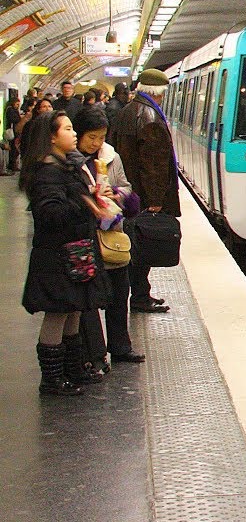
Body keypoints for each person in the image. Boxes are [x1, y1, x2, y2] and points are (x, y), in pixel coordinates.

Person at [19, 111, 115, 395]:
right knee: (57, 313)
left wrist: (95, 197)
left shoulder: (65, 167)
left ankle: (72, 370)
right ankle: (51, 379)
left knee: (73, 309)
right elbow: (49, 213)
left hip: (73, 252)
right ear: (51, 136)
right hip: (57, 255)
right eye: (68, 129)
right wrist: (87, 204)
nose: (74, 134)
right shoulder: (48, 171)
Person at [73, 107, 145, 371]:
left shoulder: (111, 158)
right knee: (90, 300)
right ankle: (94, 352)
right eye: (91, 137)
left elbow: (130, 194)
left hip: (112, 237)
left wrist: (116, 194)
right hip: (84, 240)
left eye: (101, 137)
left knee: (119, 293)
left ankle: (120, 346)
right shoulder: (72, 163)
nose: (96, 143)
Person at [109, 69, 178, 314]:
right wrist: (157, 199)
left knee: (133, 245)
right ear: (158, 94)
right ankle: (139, 297)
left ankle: (140, 293)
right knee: (142, 247)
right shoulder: (150, 118)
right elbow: (154, 164)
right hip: (142, 196)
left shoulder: (126, 112)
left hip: (127, 192)